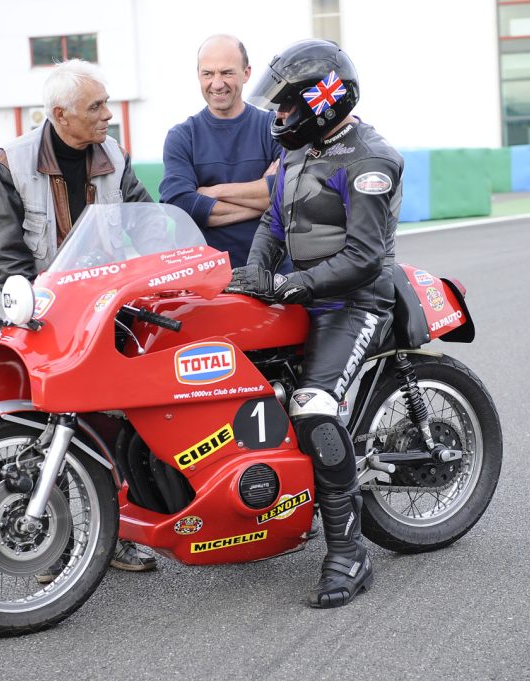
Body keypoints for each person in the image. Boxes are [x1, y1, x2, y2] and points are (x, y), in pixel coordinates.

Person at [225, 40, 404, 608]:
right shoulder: (298, 151)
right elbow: (273, 227)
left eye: (284, 105)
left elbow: (363, 257)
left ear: (321, 100)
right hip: (302, 294)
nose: (276, 116)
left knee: (314, 406)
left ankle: (349, 553)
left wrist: (284, 286)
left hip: (356, 301)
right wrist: (252, 275)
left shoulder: (370, 160)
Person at [0, 58, 157, 573]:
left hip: (104, 312)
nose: (108, 115)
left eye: (106, 103)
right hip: (39, 316)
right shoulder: (12, 163)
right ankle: (48, 536)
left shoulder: (114, 155)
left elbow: (145, 220)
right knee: (42, 423)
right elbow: (5, 256)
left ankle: (120, 528)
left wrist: (174, 259)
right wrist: (34, 307)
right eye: (96, 106)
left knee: (119, 420)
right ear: (61, 114)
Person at [160, 35, 287, 270]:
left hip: (272, 275)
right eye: (208, 74)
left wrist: (214, 192)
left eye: (227, 72)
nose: (217, 84)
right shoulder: (182, 137)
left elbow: (288, 194)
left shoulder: (275, 129)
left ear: (246, 73)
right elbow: (181, 204)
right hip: (206, 279)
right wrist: (264, 199)